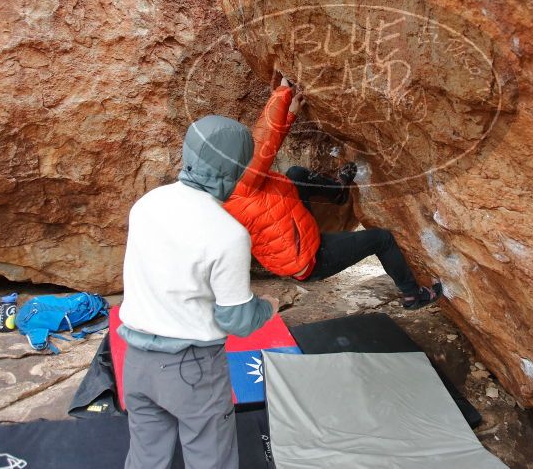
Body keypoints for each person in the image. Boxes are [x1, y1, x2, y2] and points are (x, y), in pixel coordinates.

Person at [117, 115, 279, 469]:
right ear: (236, 170)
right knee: (211, 457)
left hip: (137, 361)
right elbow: (236, 319)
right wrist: (268, 307)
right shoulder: (228, 233)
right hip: (192, 370)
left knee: (146, 456)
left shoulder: (146, 204)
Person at [223, 71, 443, 309]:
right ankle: (412, 295)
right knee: (382, 239)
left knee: (296, 176)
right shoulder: (242, 184)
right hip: (310, 260)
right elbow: (265, 140)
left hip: (294, 238)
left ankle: (337, 191)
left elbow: (267, 149)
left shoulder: (227, 185)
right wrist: (283, 92)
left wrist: (291, 114)